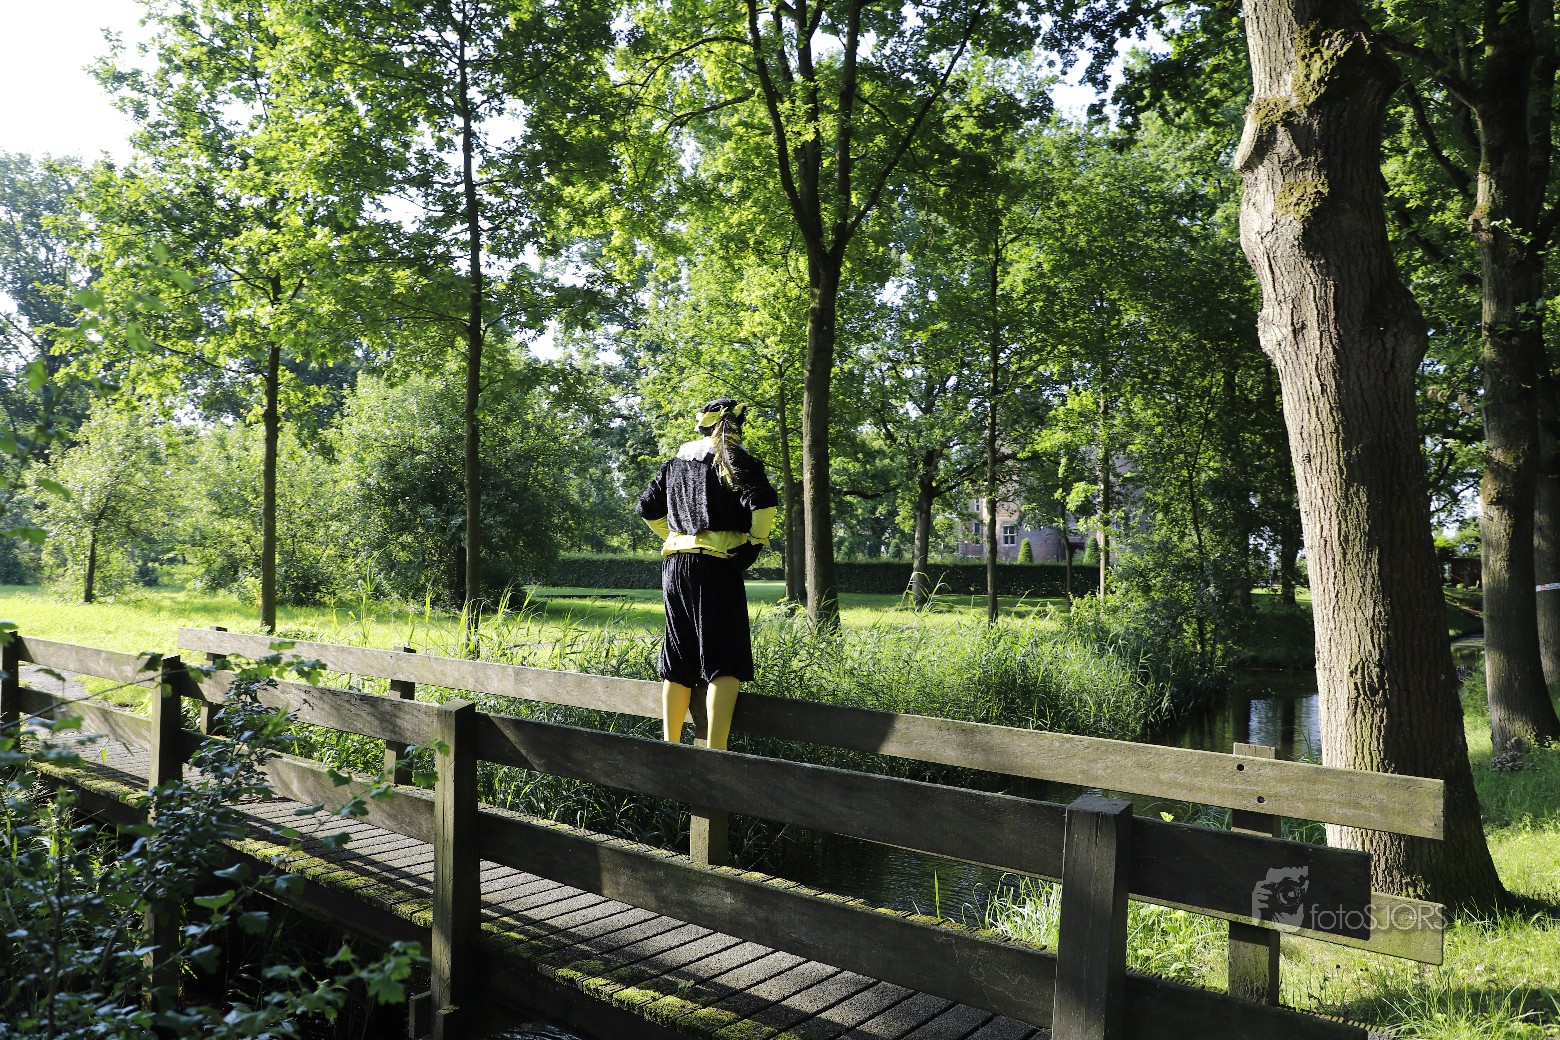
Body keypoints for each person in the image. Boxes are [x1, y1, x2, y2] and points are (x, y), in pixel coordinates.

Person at [635, 398, 777, 750]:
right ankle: (716, 753)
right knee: (724, 660)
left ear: (702, 425)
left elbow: (647, 508)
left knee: (678, 657)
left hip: (674, 566)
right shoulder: (735, 458)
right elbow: (764, 502)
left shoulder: (676, 462)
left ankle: (670, 747)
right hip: (716, 565)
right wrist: (754, 543)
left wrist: (675, 538)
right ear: (738, 426)